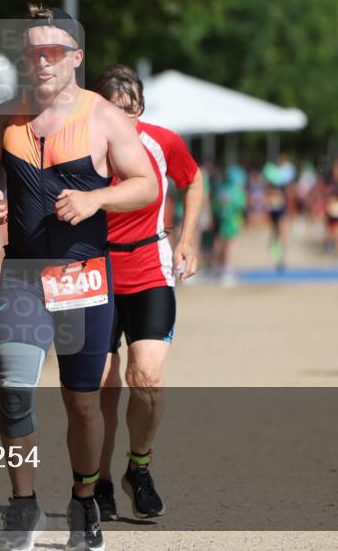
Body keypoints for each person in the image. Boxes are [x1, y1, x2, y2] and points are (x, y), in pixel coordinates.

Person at [0, 6, 158, 551]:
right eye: (31, 51)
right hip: (22, 276)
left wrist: (96, 197)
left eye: (52, 51)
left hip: (83, 277)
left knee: (82, 402)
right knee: (13, 395)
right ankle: (22, 508)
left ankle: (84, 500)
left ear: (76, 58)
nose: (41, 60)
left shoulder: (104, 117)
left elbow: (146, 184)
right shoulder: (7, 116)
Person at [91, 64, 202, 521]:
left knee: (148, 378)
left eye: (132, 111)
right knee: (100, 388)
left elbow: (193, 179)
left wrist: (188, 238)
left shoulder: (162, 141)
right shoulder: (81, 146)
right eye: (115, 111)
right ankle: (96, 482)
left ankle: (138, 467)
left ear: (142, 109)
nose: (125, 121)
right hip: (95, 267)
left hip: (148, 266)